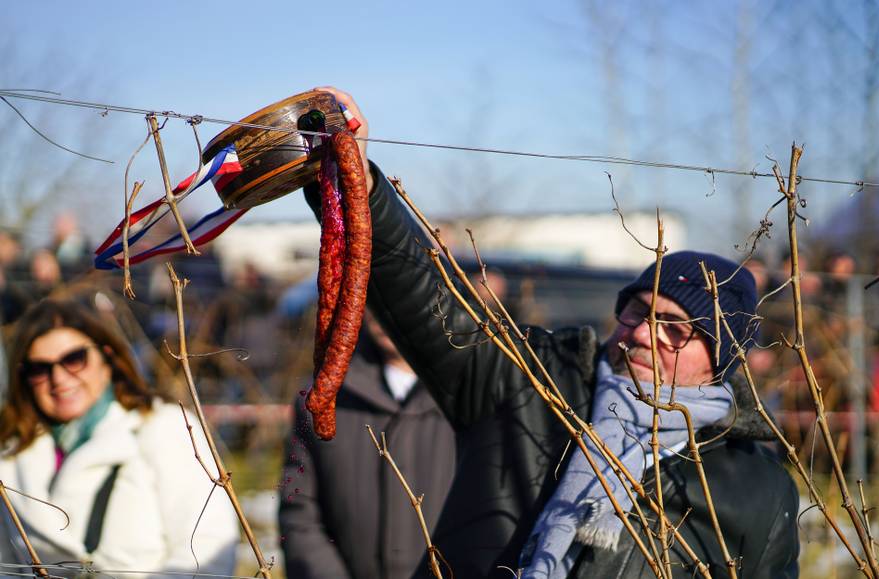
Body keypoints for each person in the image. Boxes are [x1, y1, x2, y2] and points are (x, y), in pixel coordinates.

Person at [301, 88, 799, 578]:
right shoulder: (530, 382)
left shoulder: (757, 490)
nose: (644, 334)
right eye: (637, 312)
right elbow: (425, 298)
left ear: (720, 357)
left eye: (674, 328)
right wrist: (356, 180)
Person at [0, 298, 239, 578]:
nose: (59, 378)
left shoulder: (162, 426)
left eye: (74, 359)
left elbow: (206, 551)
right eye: (39, 368)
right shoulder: (11, 451)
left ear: (107, 357)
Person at [278, 312, 456, 579]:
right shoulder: (321, 399)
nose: (388, 309)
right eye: (376, 296)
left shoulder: (467, 402)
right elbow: (299, 514)